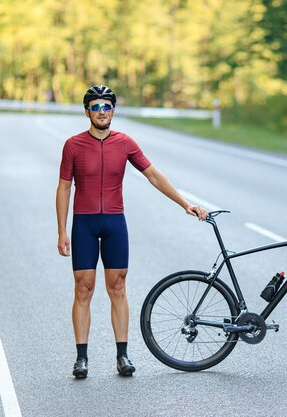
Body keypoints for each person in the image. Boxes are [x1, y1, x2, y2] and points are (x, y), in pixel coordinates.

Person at [56, 85, 207, 378]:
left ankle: (122, 356)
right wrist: (61, 231)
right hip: (84, 223)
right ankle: (81, 358)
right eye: (96, 107)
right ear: (87, 111)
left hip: (114, 223)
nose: (102, 112)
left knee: (118, 288)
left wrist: (185, 204)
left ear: (114, 110)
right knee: (83, 288)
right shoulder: (73, 145)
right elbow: (63, 187)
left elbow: (152, 174)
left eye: (107, 106)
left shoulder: (125, 143)